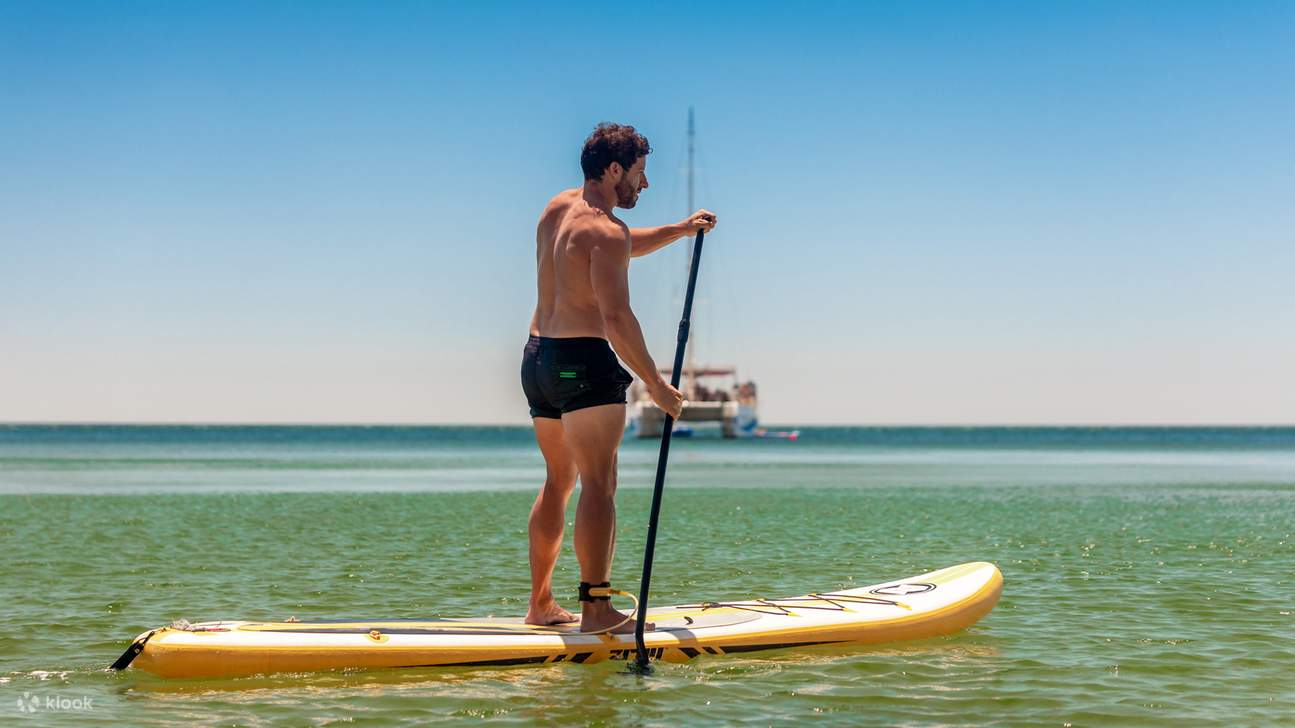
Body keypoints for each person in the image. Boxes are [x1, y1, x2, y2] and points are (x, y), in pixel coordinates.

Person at [520, 122, 717, 633]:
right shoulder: (606, 232)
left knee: (559, 480)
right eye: (639, 173)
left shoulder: (557, 209)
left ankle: (541, 605)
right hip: (584, 362)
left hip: (539, 358)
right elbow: (616, 320)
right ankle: (597, 610)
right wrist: (655, 384)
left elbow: (618, 245)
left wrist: (677, 230)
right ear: (613, 170)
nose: (643, 185)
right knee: (600, 484)